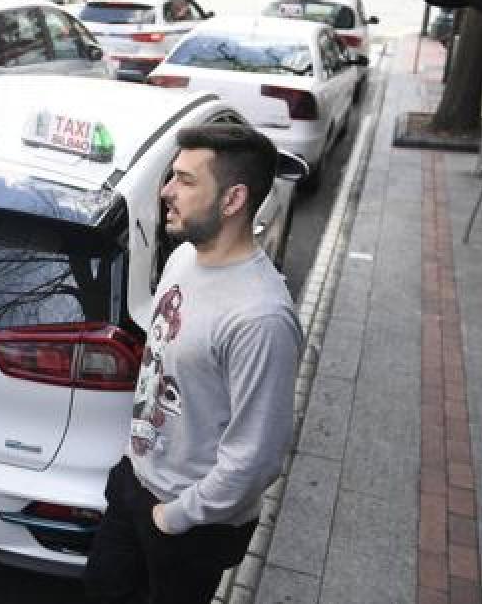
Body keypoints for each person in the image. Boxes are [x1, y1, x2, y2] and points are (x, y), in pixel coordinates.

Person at [84, 124, 303, 604]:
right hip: (135, 485)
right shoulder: (184, 257)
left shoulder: (260, 317)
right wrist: (133, 469)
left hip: (190, 524)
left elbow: (258, 456)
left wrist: (177, 516)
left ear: (232, 200)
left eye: (184, 180)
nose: (165, 191)